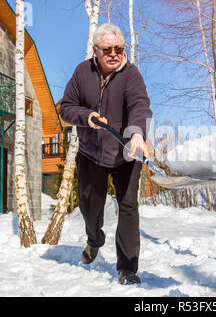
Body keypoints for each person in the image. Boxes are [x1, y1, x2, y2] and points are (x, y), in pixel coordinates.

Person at [60, 23, 152, 285]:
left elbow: (140, 104)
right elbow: (66, 107)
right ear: (95, 50)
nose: (114, 54)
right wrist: (85, 116)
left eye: (120, 49)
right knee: (89, 205)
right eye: (108, 49)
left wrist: (137, 133)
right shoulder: (82, 72)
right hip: (90, 152)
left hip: (125, 152)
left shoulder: (131, 74)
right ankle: (94, 239)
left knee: (128, 206)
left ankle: (127, 268)